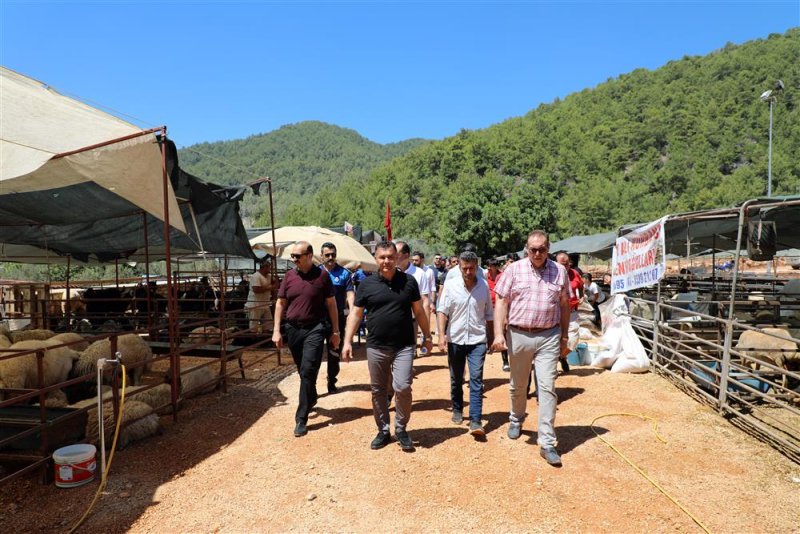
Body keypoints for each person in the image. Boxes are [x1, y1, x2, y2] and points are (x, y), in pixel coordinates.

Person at [342, 241, 432, 451]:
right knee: (378, 390)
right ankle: (383, 430)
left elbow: (419, 311)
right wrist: (347, 341)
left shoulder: (409, 282)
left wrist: (427, 335)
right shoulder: (366, 285)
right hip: (376, 346)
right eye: (382, 257)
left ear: (397, 257)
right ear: (376, 259)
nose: (386, 261)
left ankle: (401, 428)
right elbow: (356, 314)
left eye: (390, 257)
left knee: (402, 387)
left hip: (403, 346)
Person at [492, 230, 570, 467]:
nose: (537, 253)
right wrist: (498, 334)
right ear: (526, 249)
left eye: (542, 249)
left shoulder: (560, 271)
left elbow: (565, 304)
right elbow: (501, 301)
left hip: (549, 335)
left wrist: (565, 336)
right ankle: (516, 417)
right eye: (533, 249)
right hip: (518, 335)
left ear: (549, 248)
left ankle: (547, 443)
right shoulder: (514, 270)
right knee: (518, 385)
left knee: (547, 388)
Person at [272, 241, 340, 438]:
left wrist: (335, 331)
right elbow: (280, 303)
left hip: (316, 328)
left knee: (308, 369)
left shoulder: (322, 276)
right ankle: (311, 396)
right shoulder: (289, 276)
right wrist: (277, 329)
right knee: (303, 370)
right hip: (293, 329)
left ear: (309, 256)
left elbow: (331, 304)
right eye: (292, 256)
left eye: (297, 256)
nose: (294, 260)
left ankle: (301, 418)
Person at [437, 251, 493, 436]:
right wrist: (441, 336)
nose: (468, 272)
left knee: (476, 379)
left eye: (471, 268)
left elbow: (489, 314)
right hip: (456, 339)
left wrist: (491, 337)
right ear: (459, 267)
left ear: (476, 267)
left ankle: (476, 420)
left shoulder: (483, 286)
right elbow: (442, 311)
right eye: (464, 268)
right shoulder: (451, 286)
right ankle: (457, 408)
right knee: (456, 378)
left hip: (477, 340)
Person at [320, 242, 355, 393]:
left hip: (338, 318)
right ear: (321, 256)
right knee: (314, 352)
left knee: (334, 350)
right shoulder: (315, 273)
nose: (330, 257)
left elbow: (350, 295)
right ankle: (310, 385)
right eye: (327, 255)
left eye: (333, 254)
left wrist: (353, 313)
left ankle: (331, 381)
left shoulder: (344, 273)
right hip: (318, 318)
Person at [395, 241, 432, 352]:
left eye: (396, 253)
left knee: (408, 353)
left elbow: (425, 301)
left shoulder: (420, 274)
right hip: (391, 319)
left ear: (406, 255)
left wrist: (426, 332)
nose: (393, 256)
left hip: (411, 321)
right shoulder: (389, 272)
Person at [556, 251, 583, 374]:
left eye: (566, 264)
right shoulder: (551, 274)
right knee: (555, 340)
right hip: (555, 313)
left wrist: (582, 296)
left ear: (569, 264)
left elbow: (581, 285)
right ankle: (551, 365)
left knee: (573, 340)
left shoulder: (575, 274)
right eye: (561, 264)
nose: (564, 267)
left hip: (571, 312)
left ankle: (561, 356)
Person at [485, 258, 509, 371]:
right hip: (488, 309)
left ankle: (505, 361)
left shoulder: (503, 276)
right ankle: (490, 346)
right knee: (489, 331)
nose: (490, 268)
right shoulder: (485, 277)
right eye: (488, 266)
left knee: (503, 333)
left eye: (492, 266)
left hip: (501, 309)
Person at [244, 258, 273, 334]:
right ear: (264, 267)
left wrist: (275, 282)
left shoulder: (269, 276)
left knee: (268, 323)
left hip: (265, 303)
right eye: (269, 267)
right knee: (254, 324)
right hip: (255, 304)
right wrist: (270, 287)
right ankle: (254, 340)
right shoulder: (256, 276)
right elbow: (256, 289)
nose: (270, 269)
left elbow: (276, 283)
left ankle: (265, 339)